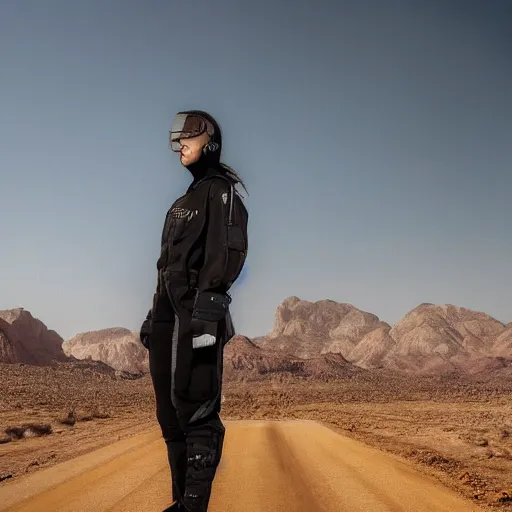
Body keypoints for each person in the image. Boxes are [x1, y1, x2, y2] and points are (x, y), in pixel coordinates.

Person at [139, 110, 249, 512]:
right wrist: (153, 317)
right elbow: (165, 264)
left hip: (198, 315)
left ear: (212, 142)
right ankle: (179, 501)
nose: (180, 142)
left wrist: (207, 311)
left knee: (197, 407)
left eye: (190, 135)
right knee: (169, 416)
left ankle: (193, 507)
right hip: (168, 317)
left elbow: (228, 251)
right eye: (178, 136)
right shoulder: (182, 201)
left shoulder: (221, 190)